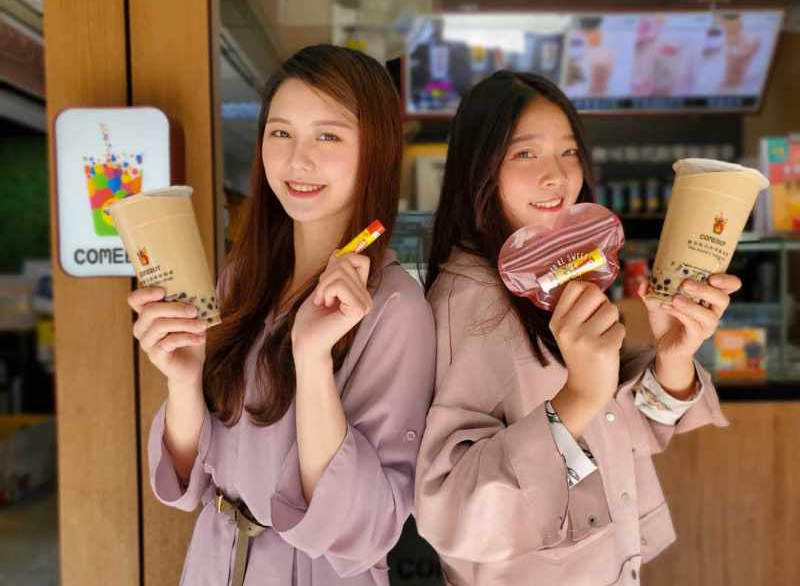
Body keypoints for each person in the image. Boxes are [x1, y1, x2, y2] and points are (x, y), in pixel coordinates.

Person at [414, 71, 739, 585]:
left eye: (569, 151)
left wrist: (673, 357)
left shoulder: (557, 271)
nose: (557, 176)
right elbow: (452, 509)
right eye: (525, 153)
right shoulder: (468, 302)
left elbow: (618, 427)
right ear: (480, 169)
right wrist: (579, 396)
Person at [127, 44, 435, 586]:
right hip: (213, 561)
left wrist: (312, 358)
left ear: (377, 151)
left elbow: (368, 528)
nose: (297, 160)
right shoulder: (238, 279)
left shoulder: (394, 306)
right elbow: (186, 482)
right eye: (280, 132)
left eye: (328, 136)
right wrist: (183, 380)